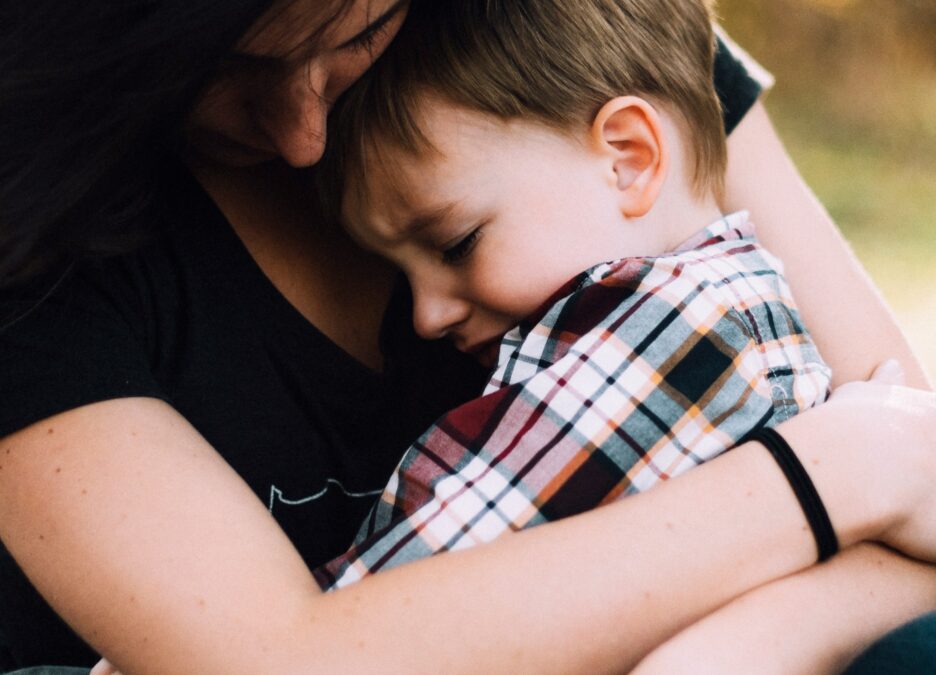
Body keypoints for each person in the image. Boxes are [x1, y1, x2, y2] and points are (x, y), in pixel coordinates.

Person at [0, 1, 933, 673]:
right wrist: (828, 476)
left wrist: (754, 644)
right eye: (219, 75)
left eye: (352, 36)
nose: (302, 136)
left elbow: (923, 513)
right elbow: (267, 666)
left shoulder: (577, 49)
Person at [314, 0, 835, 588]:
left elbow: (404, 593)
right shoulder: (728, 306)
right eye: (398, 273)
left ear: (628, 160)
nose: (425, 316)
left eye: (457, 244)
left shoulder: (677, 332)